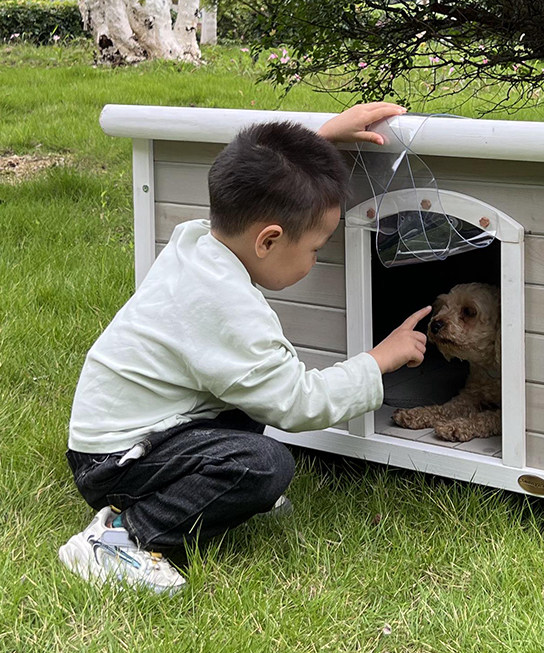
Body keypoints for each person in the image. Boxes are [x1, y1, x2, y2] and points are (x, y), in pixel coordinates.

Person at [59, 102, 430, 594]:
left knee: (250, 400)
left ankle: (201, 493)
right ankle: (119, 538)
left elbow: (265, 189)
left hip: (137, 435)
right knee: (264, 464)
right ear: (269, 240)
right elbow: (297, 402)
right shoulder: (225, 308)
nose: (316, 259)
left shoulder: (199, 243)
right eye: (316, 248)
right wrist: (380, 359)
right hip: (116, 462)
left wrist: (318, 145)